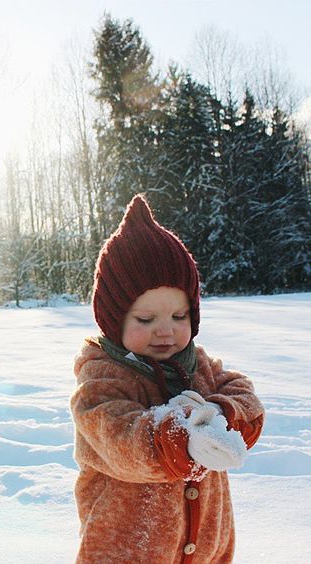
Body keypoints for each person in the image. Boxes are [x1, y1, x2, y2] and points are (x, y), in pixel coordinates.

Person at [70, 194, 265, 563]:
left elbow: (243, 394)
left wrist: (223, 417)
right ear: (114, 320)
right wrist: (178, 440)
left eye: (179, 316)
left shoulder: (199, 365)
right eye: (146, 320)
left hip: (206, 548)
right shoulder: (101, 380)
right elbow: (118, 436)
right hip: (126, 551)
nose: (166, 332)